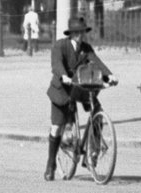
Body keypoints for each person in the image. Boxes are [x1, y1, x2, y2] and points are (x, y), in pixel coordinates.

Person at [44, 16, 111, 180]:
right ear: (71, 34)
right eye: (77, 33)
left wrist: (110, 75)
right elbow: (57, 64)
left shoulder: (86, 48)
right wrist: (64, 75)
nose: (81, 35)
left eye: (82, 32)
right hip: (61, 89)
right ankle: (50, 163)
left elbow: (97, 62)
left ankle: (92, 154)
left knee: (97, 113)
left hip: (79, 86)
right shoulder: (60, 45)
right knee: (57, 127)